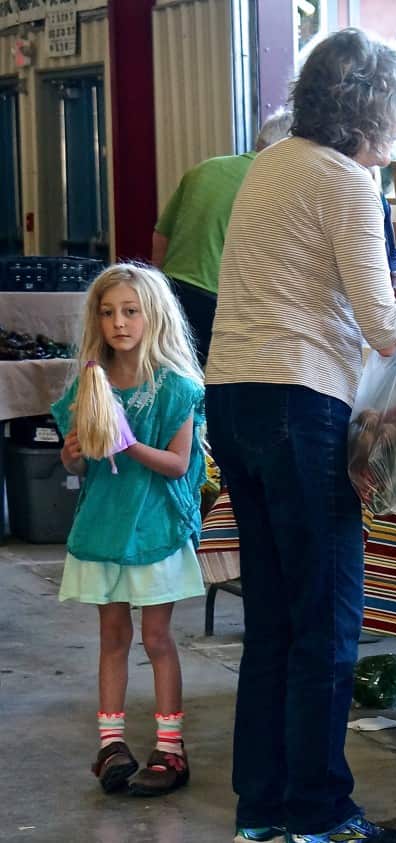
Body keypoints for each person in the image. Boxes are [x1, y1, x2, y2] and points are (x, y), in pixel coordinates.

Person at [205, 28, 396, 843]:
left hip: (232, 395)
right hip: (301, 404)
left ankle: (262, 810)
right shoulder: (343, 180)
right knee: (328, 621)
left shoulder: (271, 162)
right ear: (377, 108)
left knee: (271, 619)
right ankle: (323, 814)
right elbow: (381, 328)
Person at [51, 263, 207, 798]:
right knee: (112, 637)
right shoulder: (87, 385)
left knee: (158, 638)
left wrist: (126, 443)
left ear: (153, 316)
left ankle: (171, 748)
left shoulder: (177, 388)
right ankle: (111, 745)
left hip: (156, 531)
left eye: (130, 311)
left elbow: (180, 465)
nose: (119, 322)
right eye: (108, 311)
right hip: (104, 530)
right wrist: (73, 456)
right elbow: (81, 469)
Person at [151, 112, 294, 364]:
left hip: (171, 292)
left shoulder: (205, 168)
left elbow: (161, 236)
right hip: (224, 305)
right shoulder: (275, 181)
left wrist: (158, 289)